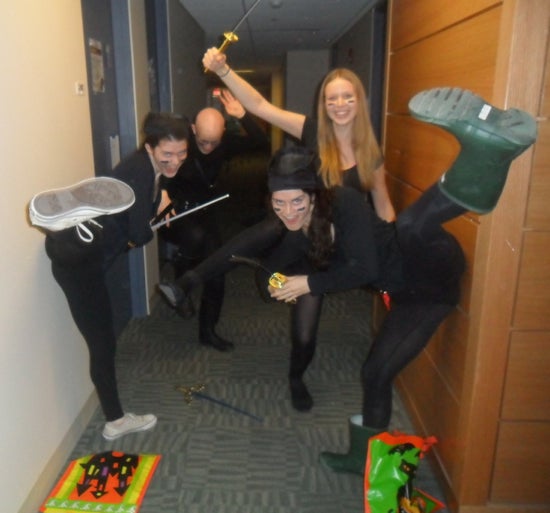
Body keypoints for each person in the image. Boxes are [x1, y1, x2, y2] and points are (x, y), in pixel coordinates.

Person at [165, 87, 537, 474]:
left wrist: (307, 284)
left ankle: (485, 153)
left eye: (297, 202)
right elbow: (266, 270)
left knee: (410, 225)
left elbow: (366, 270)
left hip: (428, 263)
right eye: (278, 204)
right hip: (421, 297)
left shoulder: (344, 202)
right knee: (375, 373)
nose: (288, 212)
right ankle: (364, 459)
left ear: (314, 195)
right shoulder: (296, 232)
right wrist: (275, 283)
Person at [158, 48, 398, 356]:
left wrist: (391, 256)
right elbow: (261, 105)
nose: (339, 105)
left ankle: (259, 278)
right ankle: (189, 282)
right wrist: (223, 70)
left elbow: (384, 207)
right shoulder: (313, 131)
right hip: (298, 224)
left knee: (305, 332)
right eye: (332, 99)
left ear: (359, 101)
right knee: (272, 228)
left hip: (331, 241)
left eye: (347, 97)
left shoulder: (371, 154)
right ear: (323, 104)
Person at [29, 112, 190, 440]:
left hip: (88, 259)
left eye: (182, 153)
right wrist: (154, 219)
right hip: (81, 268)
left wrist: (161, 199)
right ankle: (115, 421)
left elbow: (137, 211)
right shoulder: (138, 172)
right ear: (150, 147)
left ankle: (114, 414)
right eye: (168, 154)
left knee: (102, 340)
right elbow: (139, 234)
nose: (175, 161)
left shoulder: (144, 166)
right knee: (102, 343)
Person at [158, 90, 269, 352]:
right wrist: (162, 191)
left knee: (218, 270)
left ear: (222, 134)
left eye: (214, 143)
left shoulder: (225, 143)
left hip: (207, 213)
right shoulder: (180, 143)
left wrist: (243, 116)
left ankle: (208, 331)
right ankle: (181, 284)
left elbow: (261, 143)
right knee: (194, 239)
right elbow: (156, 161)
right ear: (193, 129)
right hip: (178, 213)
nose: (208, 147)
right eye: (203, 141)